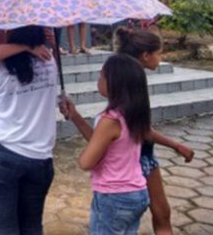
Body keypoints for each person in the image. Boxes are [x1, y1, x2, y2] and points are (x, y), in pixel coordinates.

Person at [0, 25, 58, 235]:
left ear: (10, 33)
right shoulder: (49, 60)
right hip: (40, 156)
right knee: (32, 226)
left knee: (3, 228)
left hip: (1, 155)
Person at [61, 54, 151, 235]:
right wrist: (76, 117)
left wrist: (84, 154)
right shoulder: (134, 112)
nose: (98, 80)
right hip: (137, 193)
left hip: (113, 198)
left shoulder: (110, 120)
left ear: (113, 82)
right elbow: (103, 141)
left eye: (101, 75)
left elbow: (86, 163)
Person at [115, 29, 193, 235]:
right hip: (138, 155)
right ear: (145, 55)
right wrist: (176, 145)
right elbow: (142, 130)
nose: (161, 57)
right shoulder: (131, 83)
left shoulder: (124, 77)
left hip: (141, 153)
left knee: (161, 211)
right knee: (160, 213)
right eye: (159, 52)